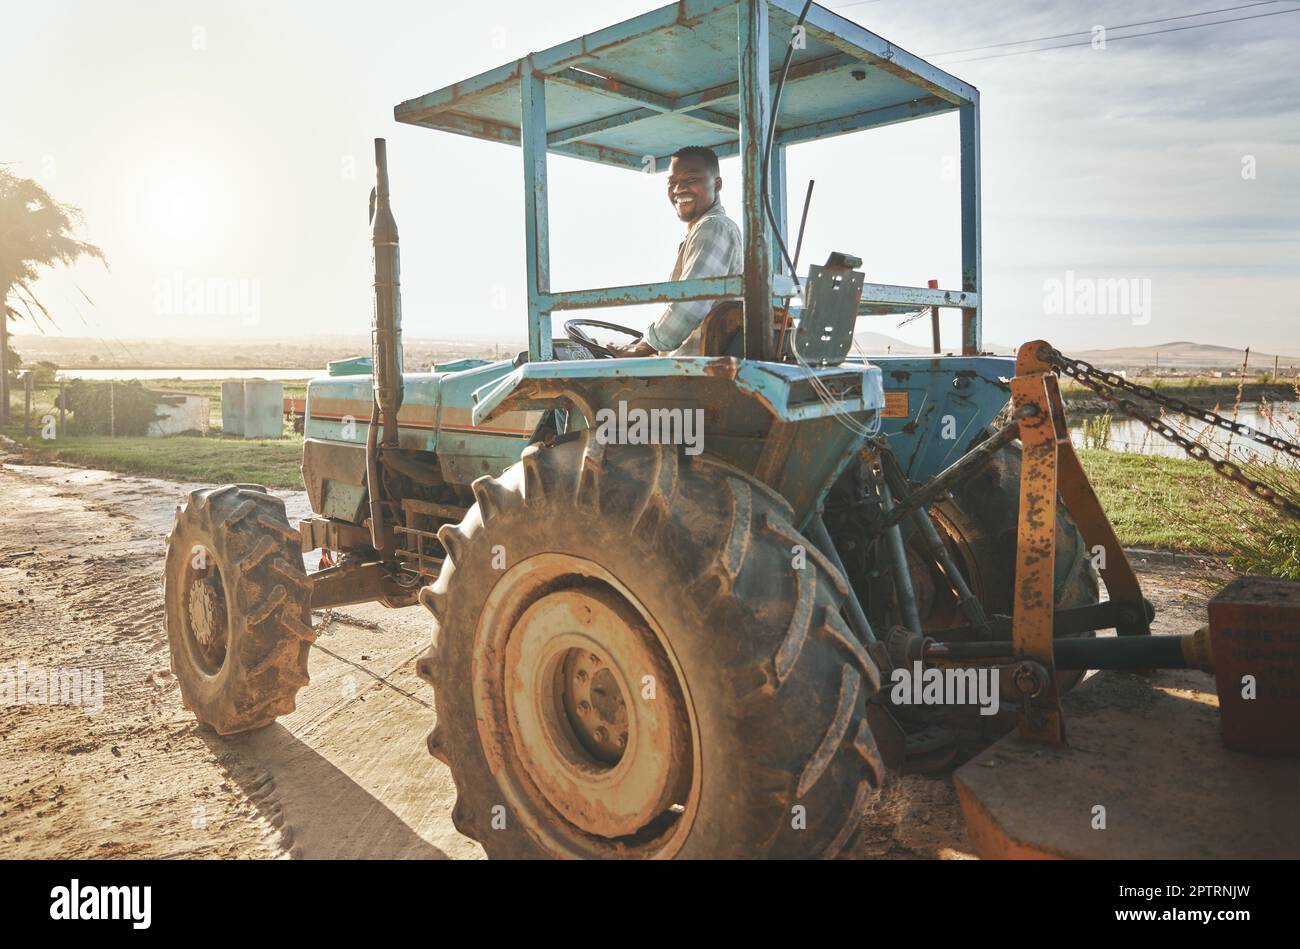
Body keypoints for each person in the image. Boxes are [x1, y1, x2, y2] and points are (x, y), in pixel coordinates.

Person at [608, 145, 742, 357]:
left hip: (699, 372)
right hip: (690, 363)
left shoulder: (713, 227)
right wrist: (645, 344)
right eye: (672, 183)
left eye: (691, 179)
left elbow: (689, 306)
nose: (679, 189)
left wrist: (641, 348)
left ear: (717, 184)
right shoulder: (700, 231)